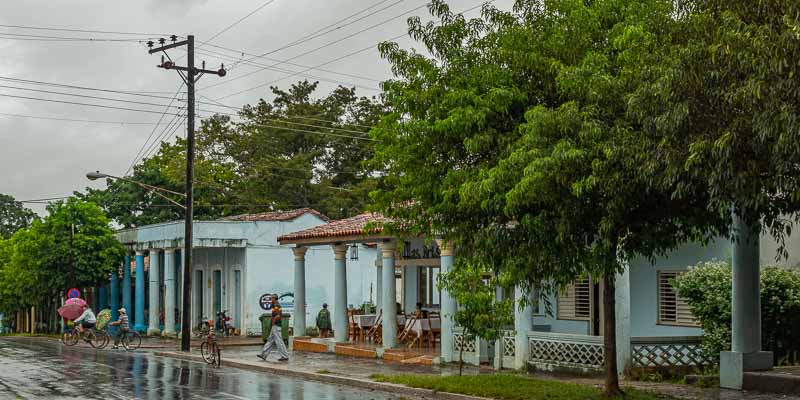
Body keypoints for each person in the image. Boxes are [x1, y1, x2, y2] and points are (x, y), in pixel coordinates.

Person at [258, 294, 288, 362]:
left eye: (271, 298)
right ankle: (263, 354)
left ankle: (284, 356)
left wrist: (273, 323)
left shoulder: (276, 305)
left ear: (274, 299)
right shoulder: (275, 305)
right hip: (275, 326)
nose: (271, 300)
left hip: (276, 326)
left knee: (279, 341)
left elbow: (277, 316)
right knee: (270, 340)